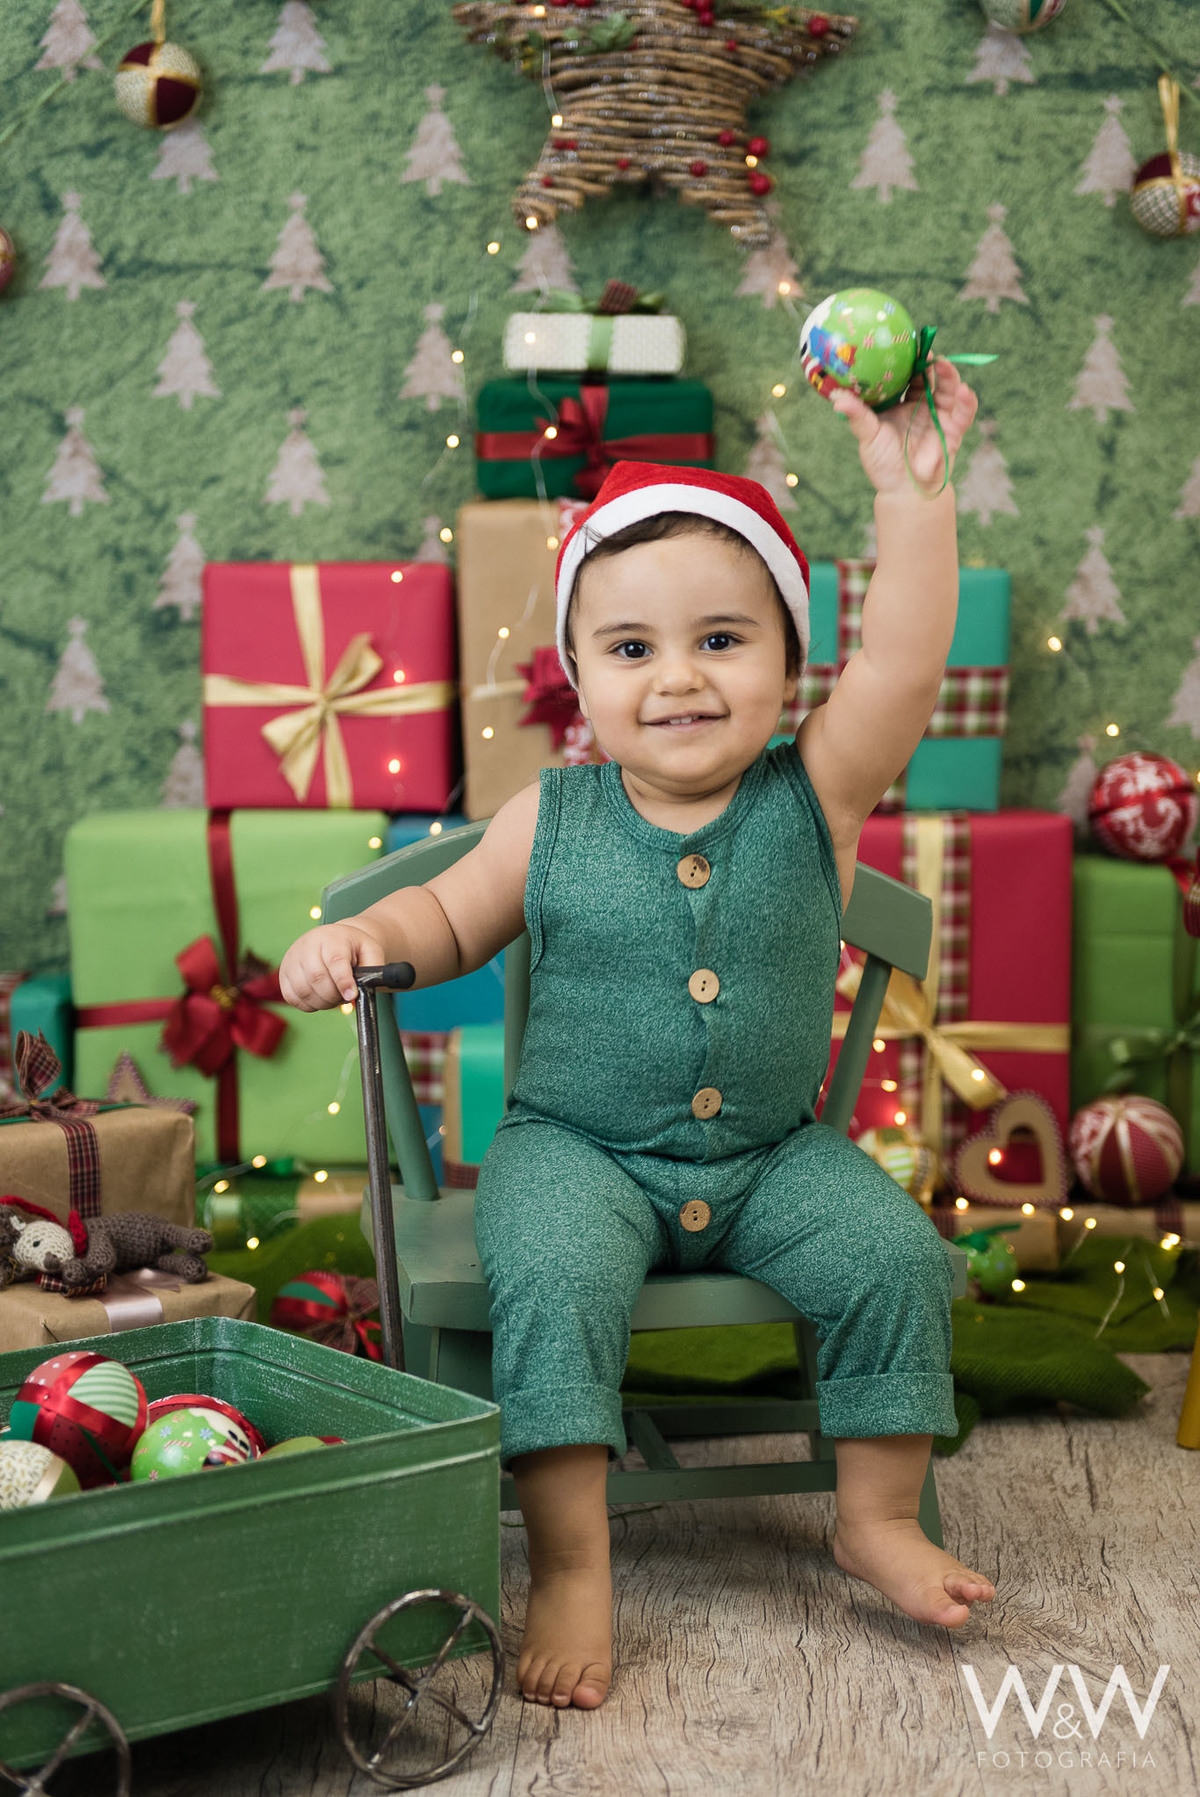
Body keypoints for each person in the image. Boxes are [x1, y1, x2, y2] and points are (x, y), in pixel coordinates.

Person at [279, 357, 995, 1714]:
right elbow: (445, 916)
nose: (680, 677)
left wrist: (916, 492)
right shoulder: (549, 817)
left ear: (790, 660)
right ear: (582, 675)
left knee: (895, 1253)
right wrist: (368, 944)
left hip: (777, 1152)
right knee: (553, 1278)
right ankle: (570, 1560)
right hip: (580, 1151)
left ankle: (878, 1514)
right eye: (633, 648)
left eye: (724, 639)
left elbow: (905, 655)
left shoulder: (817, 792)